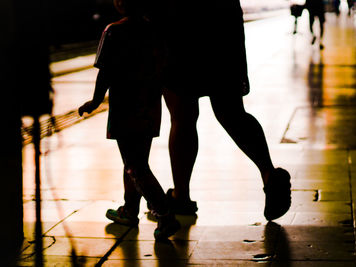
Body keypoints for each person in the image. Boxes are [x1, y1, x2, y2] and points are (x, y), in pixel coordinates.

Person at [159, 0, 292, 221]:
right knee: (231, 112)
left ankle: (181, 195)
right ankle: (269, 173)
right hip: (221, 22)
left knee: (182, 115)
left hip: (178, 23)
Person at [78, 0, 180, 240]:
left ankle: (165, 214)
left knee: (135, 165)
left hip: (125, 107)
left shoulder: (113, 31)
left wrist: (94, 102)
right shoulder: (155, 30)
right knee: (136, 161)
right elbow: (165, 67)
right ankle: (129, 210)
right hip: (150, 106)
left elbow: (105, 71)